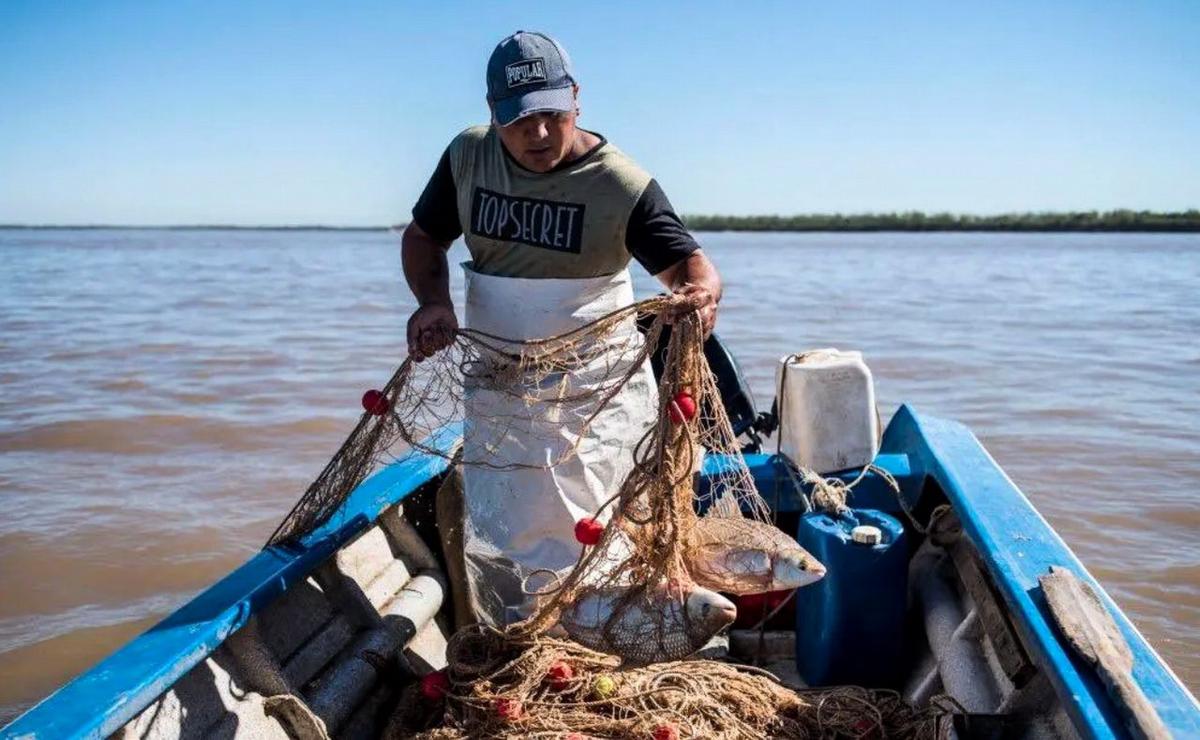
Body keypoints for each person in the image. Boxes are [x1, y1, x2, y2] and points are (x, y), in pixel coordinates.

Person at [401, 30, 722, 626]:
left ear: (576, 98)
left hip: (593, 390)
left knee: (598, 523)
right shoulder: (468, 157)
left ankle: (612, 627)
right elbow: (423, 238)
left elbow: (690, 267)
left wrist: (700, 296)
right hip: (500, 379)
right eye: (520, 120)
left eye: (552, 114)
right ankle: (520, 635)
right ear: (493, 113)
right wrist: (433, 302)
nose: (540, 134)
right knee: (506, 523)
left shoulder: (618, 183)